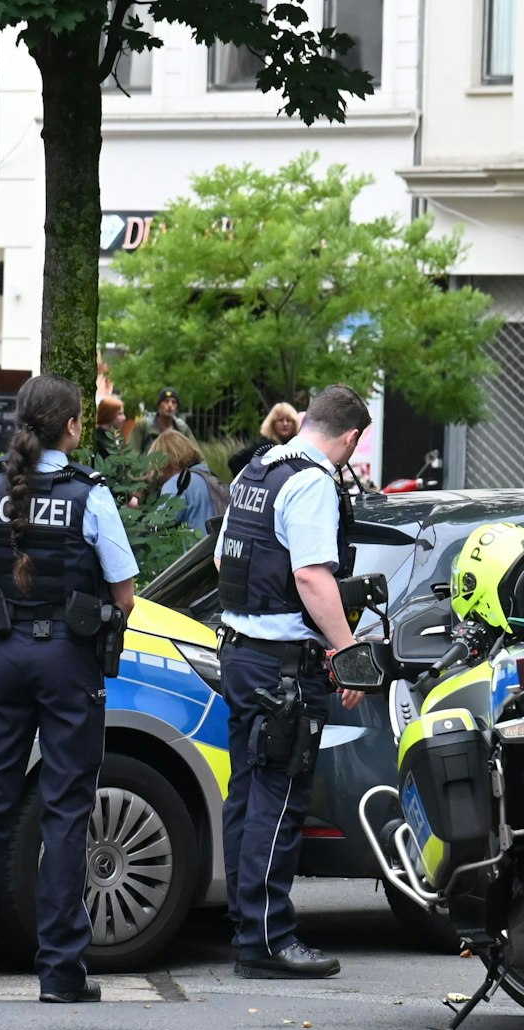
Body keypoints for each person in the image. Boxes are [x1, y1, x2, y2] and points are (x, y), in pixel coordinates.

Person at [0, 375, 137, 1005]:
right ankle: (61, 974)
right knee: (67, 812)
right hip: (67, 662)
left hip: (1, 658)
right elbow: (123, 594)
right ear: (71, 428)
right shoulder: (89, 497)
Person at [212, 385, 370, 980]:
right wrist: (347, 651)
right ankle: (270, 940)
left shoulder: (260, 468)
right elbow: (310, 576)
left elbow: (225, 561)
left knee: (247, 795)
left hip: (242, 655)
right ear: (350, 439)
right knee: (277, 800)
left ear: (307, 421)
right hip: (283, 667)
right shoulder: (312, 482)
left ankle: (246, 929)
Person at [154, 429, 226, 532]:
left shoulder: (176, 484)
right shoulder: (208, 476)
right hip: (215, 545)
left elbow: (160, 525)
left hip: (193, 547)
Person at [229, 401, 301, 477]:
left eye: (289, 420)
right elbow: (235, 462)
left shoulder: (296, 445)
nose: (285, 424)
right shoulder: (263, 444)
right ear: (272, 423)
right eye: (280, 420)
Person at [139, 387, 180, 454]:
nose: (170, 405)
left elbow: (196, 454)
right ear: (159, 405)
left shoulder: (181, 428)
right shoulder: (144, 425)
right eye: (166, 401)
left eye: (174, 402)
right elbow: (131, 454)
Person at [95, 395, 126, 460]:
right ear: (109, 415)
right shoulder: (98, 441)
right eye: (120, 414)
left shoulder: (112, 439)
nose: (124, 418)